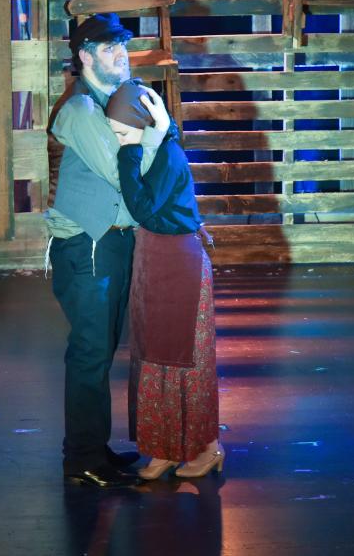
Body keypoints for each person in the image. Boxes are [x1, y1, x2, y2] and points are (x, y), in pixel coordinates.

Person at [45, 13, 170, 488]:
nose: (122, 54)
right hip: (87, 245)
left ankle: (93, 448)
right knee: (90, 352)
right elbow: (123, 174)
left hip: (114, 242)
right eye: (110, 48)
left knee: (101, 350)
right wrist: (155, 131)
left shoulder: (117, 100)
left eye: (124, 46)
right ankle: (80, 459)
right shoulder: (79, 110)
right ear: (85, 56)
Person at [106, 80, 222, 480]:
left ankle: (207, 447)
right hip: (154, 258)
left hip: (179, 261)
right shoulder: (156, 148)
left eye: (122, 131)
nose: (119, 140)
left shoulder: (166, 154)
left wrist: (128, 152)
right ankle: (165, 449)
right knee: (155, 358)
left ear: (142, 123)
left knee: (187, 360)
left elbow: (140, 206)